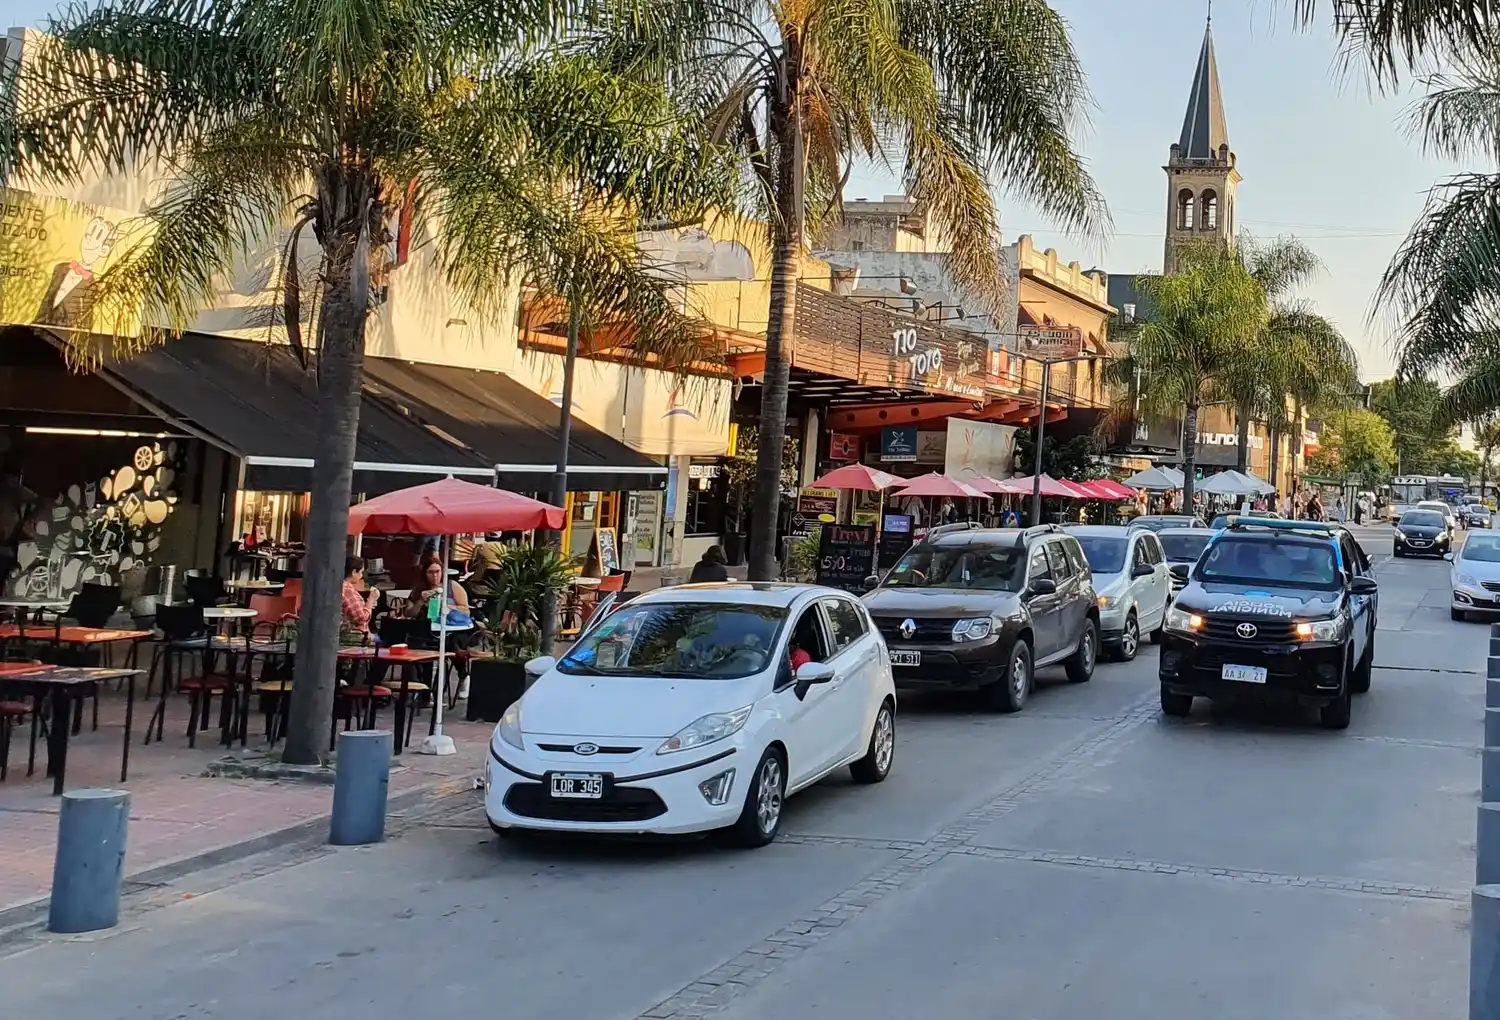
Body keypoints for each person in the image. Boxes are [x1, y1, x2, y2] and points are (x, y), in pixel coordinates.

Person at [340, 555, 381, 636]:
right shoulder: (347, 589)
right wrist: (371, 600)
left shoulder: (343, 586)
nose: (361, 575)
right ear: (353, 572)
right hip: (355, 636)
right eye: (361, 572)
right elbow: (360, 618)